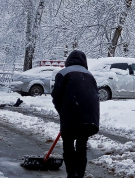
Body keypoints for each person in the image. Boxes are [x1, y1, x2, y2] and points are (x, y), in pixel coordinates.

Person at [51, 50, 100, 178]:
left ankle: (72, 174)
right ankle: (80, 175)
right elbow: (95, 96)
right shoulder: (90, 75)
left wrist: (62, 111)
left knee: (68, 144)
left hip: (71, 114)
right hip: (90, 117)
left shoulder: (63, 73)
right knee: (81, 144)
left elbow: (56, 95)